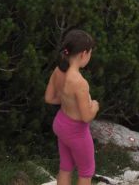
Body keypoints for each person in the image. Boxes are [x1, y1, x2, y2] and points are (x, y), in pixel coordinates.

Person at [44, 29, 100, 185]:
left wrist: (66, 100)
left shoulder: (58, 70)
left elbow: (49, 98)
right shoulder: (80, 83)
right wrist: (95, 105)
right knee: (86, 172)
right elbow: (86, 116)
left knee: (65, 167)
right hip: (77, 132)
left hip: (61, 124)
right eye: (90, 53)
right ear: (83, 54)